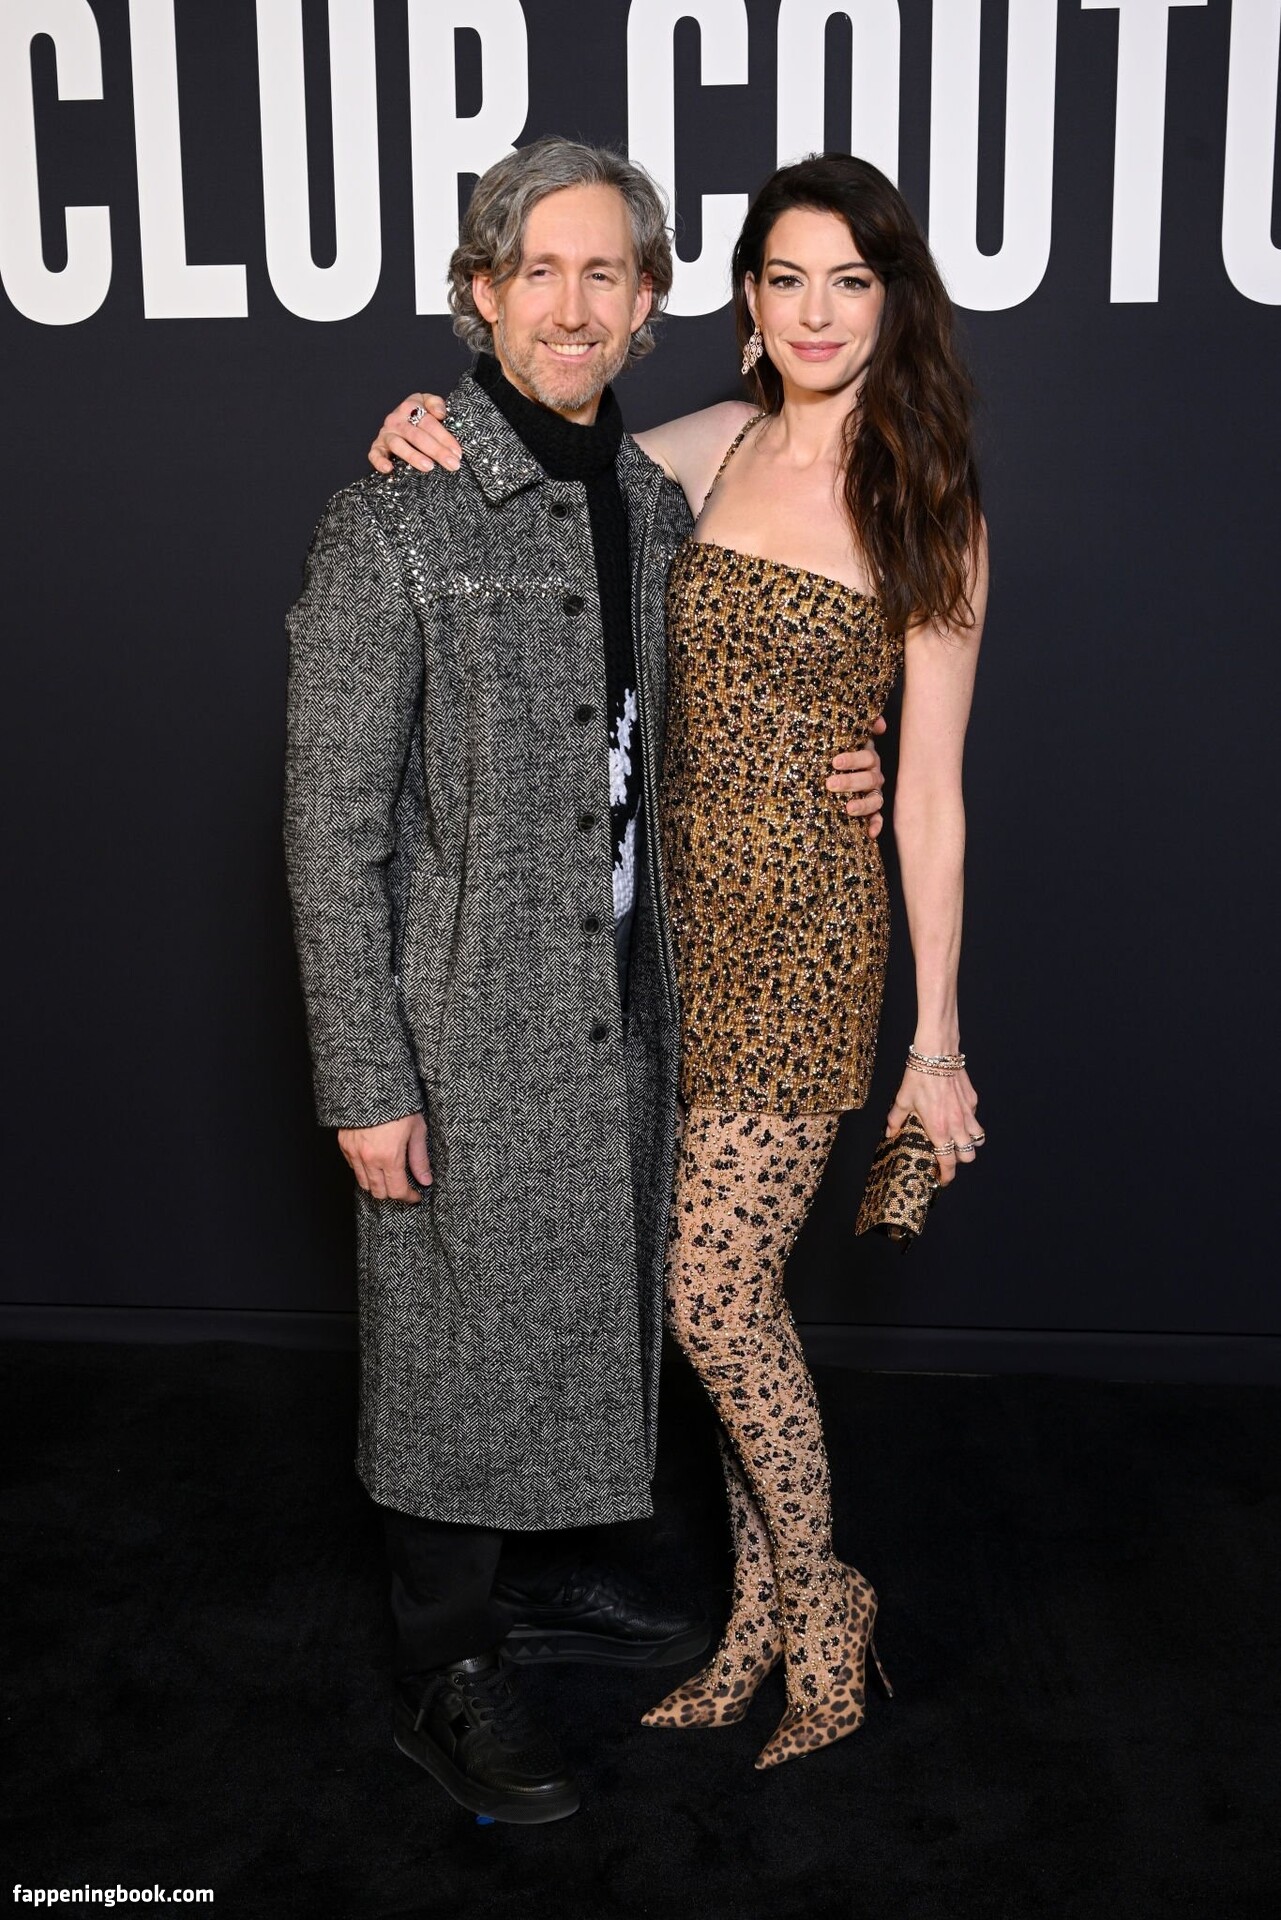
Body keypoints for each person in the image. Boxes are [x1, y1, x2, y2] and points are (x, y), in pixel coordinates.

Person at [284, 139, 887, 1825]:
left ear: (646, 305)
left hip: (631, 999)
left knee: (581, 1305)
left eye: (603, 272)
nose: (569, 304)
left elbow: (755, 666)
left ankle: (544, 1581)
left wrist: (860, 751)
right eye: (535, 271)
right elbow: (330, 823)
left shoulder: (654, 498)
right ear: (479, 295)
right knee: (449, 1330)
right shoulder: (393, 513)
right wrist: (365, 1077)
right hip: (458, 1016)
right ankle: (444, 1664)